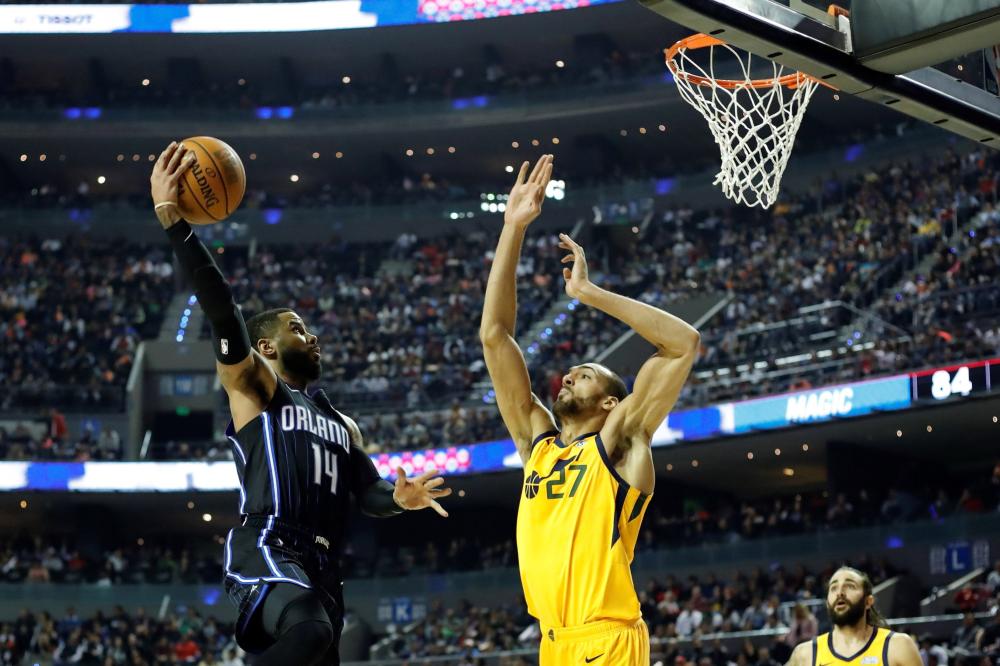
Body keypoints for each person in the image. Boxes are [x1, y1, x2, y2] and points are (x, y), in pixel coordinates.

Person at [150, 142, 452, 666]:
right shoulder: (255, 388)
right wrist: (175, 222)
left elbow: (369, 491)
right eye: (297, 328)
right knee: (310, 629)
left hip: (322, 565)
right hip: (269, 545)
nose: (311, 337)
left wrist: (399, 499)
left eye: (309, 329)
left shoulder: (342, 424)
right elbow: (224, 311)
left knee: (314, 642)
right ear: (265, 347)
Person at [480, 155, 700, 664]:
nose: (571, 373)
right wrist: (512, 228)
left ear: (610, 402)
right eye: (572, 370)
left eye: (588, 372)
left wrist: (587, 293)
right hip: (552, 641)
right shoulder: (537, 443)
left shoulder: (622, 439)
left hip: (608, 638)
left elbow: (682, 344)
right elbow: (495, 338)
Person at [786, 567, 922, 666]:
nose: (840, 593)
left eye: (850, 586)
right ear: (828, 603)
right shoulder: (805, 654)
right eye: (833, 588)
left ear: (868, 602)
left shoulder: (898, 646)